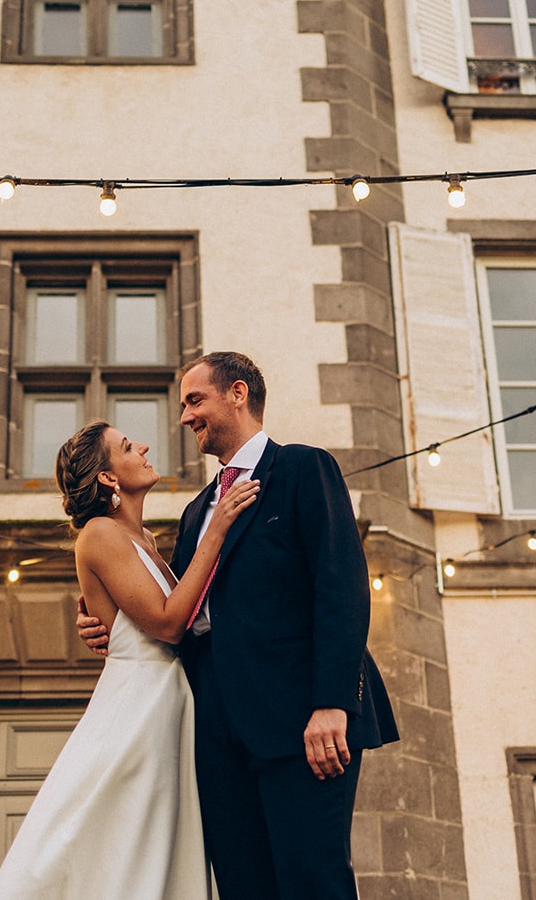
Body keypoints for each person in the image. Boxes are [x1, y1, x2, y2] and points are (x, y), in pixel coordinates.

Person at [77, 351, 399, 900]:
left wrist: (331, 704)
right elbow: (180, 610)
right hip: (217, 736)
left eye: (194, 400)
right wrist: (104, 619)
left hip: (302, 723)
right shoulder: (197, 510)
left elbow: (341, 588)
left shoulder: (302, 468)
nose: (184, 418)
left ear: (239, 394)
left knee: (312, 882)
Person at [0, 420, 259, 900]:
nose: (144, 446)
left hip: (167, 704)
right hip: (137, 713)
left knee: (157, 850)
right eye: (128, 446)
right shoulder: (99, 533)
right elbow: (169, 622)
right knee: (120, 847)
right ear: (109, 477)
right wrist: (216, 532)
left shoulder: (146, 542)